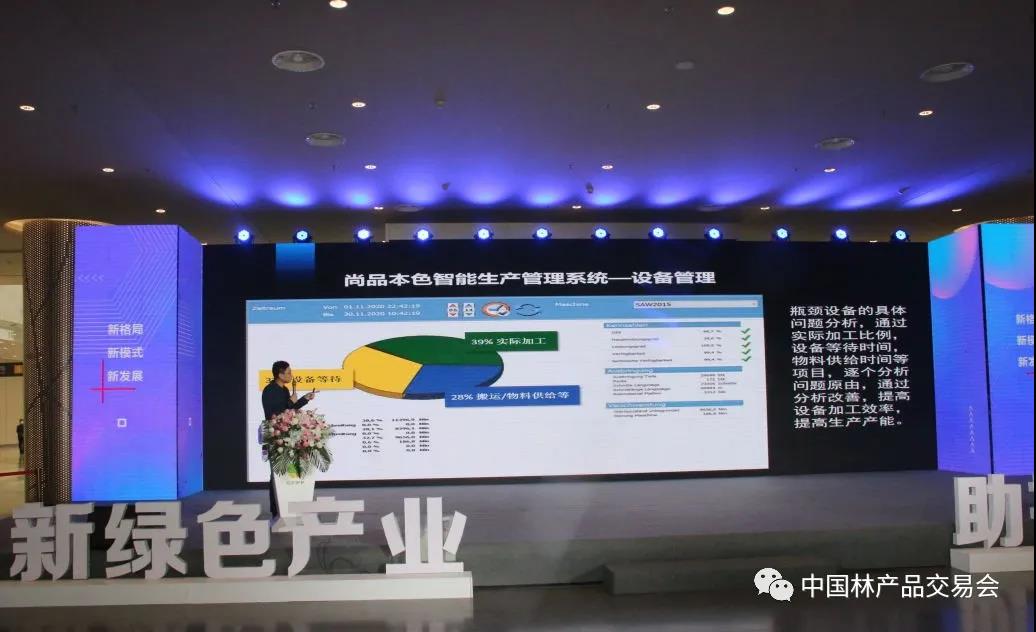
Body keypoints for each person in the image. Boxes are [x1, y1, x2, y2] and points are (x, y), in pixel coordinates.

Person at [261, 361, 317, 518]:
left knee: (288, 472)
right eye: (288, 372)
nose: (291, 375)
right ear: (280, 375)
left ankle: (289, 506)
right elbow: (275, 414)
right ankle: (276, 509)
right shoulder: (270, 390)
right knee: (277, 474)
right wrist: (291, 401)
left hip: (289, 435)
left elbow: (290, 410)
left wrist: (305, 399)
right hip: (276, 435)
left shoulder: (285, 390)